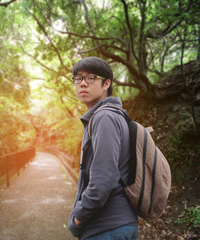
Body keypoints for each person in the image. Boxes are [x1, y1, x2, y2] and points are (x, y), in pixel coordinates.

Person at [68, 57, 138, 240]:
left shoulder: (104, 117)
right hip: (117, 226)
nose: (82, 83)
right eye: (78, 78)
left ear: (106, 83)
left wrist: (78, 217)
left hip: (107, 228)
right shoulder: (111, 115)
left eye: (90, 78)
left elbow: (104, 179)